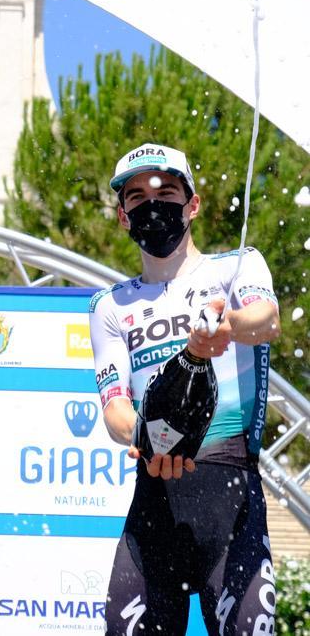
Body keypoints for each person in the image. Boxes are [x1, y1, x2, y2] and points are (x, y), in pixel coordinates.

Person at [88, 143, 281, 635]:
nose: (152, 204)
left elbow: (268, 320)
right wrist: (145, 438)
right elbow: (115, 411)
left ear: (192, 204)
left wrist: (227, 328)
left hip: (232, 506)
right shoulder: (109, 305)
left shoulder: (236, 267)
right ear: (122, 217)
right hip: (154, 512)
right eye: (136, 197)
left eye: (166, 191)